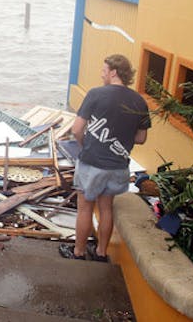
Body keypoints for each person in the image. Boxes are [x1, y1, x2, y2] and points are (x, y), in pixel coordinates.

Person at [59, 54, 151, 261]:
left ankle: (79, 252)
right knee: (106, 207)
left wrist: (86, 145)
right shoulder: (139, 101)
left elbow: (76, 129)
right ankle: (101, 253)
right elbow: (141, 137)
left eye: (103, 71)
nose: (101, 75)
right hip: (118, 166)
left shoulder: (96, 94)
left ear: (113, 72)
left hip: (93, 163)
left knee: (85, 208)